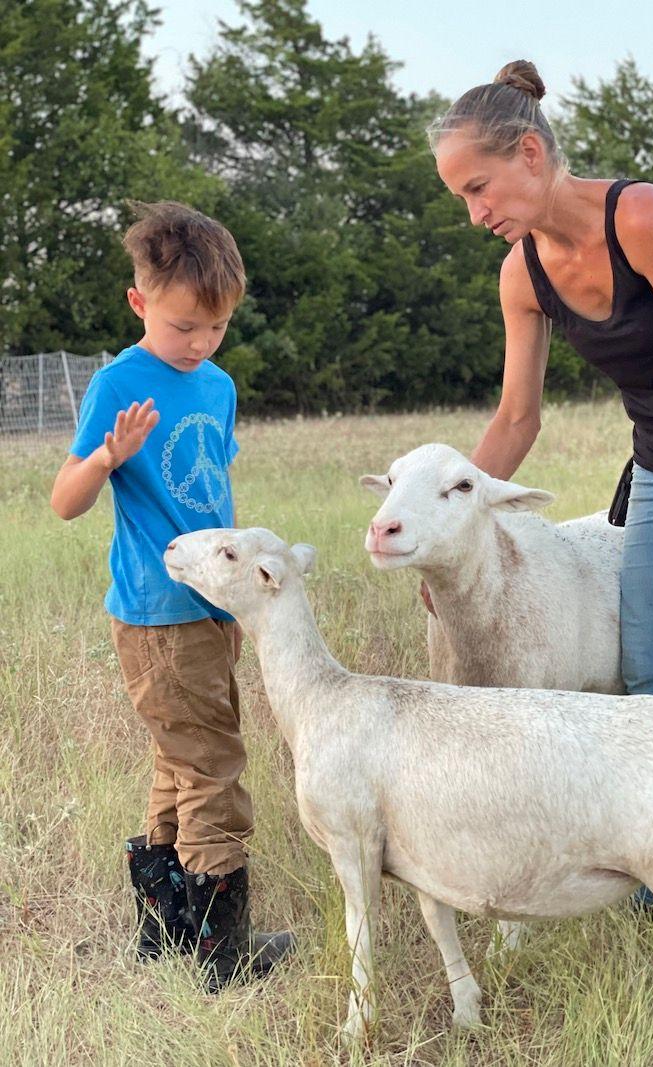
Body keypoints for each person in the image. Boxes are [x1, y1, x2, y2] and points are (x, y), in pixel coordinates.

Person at [426, 62, 653, 896]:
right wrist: (451, 530)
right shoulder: (523, 274)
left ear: (530, 153)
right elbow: (517, 418)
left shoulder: (647, 219)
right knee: (648, 680)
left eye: (479, 188)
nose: (475, 212)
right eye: (462, 197)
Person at [50, 201, 293, 991]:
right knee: (214, 766)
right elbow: (64, 500)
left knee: (178, 761)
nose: (200, 344)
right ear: (140, 303)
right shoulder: (120, 383)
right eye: (184, 326)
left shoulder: (215, 384)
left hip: (216, 609)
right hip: (157, 616)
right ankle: (224, 953)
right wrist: (105, 458)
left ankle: (166, 932)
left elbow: (213, 486)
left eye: (216, 327)